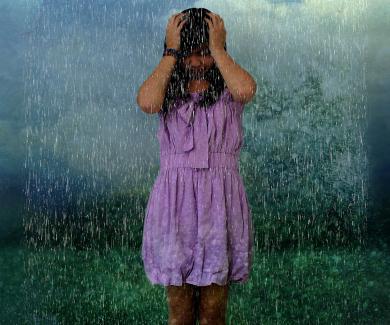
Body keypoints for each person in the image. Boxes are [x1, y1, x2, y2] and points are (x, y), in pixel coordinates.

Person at [137, 7, 256, 325]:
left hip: (219, 201)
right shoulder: (167, 93)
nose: (197, 62)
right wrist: (171, 51)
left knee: (213, 312)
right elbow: (147, 102)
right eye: (189, 54)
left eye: (204, 53)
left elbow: (247, 89)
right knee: (179, 312)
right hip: (176, 204)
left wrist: (217, 49)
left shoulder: (230, 93)